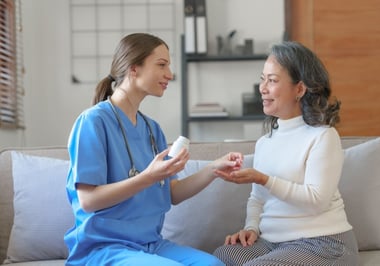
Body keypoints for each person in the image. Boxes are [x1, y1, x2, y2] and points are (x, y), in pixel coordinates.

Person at [64, 33, 243, 266]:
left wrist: (214, 168)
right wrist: (148, 177)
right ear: (133, 68)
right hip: (103, 247)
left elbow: (172, 193)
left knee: (213, 265)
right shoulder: (93, 122)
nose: (169, 74)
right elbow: (88, 200)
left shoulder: (152, 129)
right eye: (161, 65)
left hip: (150, 244)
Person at [213, 41, 359, 266]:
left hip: (323, 242)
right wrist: (251, 228)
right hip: (273, 243)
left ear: (299, 89)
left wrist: (263, 179)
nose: (262, 88)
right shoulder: (265, 142)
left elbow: (316, 201)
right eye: (263, 79)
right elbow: (257, 198)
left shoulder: (323, 136)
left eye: (272, 80)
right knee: (221, 257)